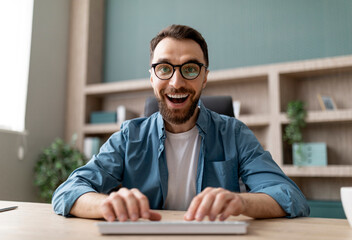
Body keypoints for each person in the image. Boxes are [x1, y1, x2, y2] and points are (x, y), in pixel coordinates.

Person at [52, 24, 310, 222]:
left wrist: (242, 202)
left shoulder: (234, 133)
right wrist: (105, 204)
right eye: (165, 69)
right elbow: (67, 192)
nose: (176, 82)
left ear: (204, 77)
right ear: (152, 77)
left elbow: (290, 196)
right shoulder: (130, 136)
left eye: (190, 69)